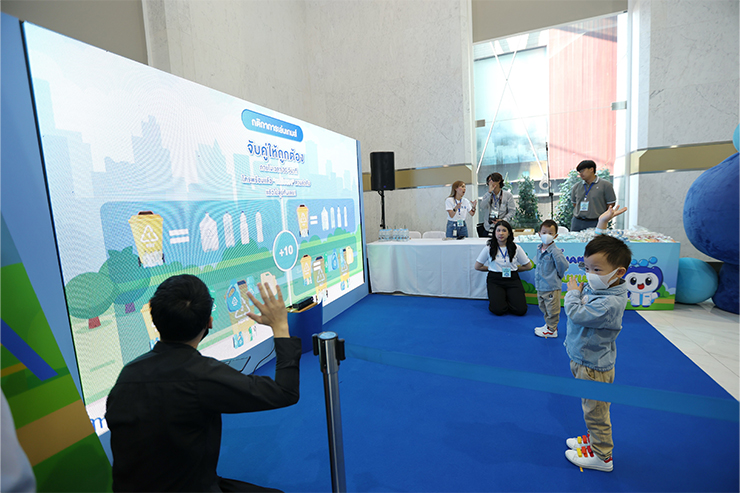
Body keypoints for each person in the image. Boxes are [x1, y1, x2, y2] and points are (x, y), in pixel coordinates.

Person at [106, 274, 301, 492]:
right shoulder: (202, 375)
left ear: (155, 320)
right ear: (209, 322)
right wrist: (280, 327)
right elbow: (285, 391)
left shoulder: (128, 373)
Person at [563, 205, 630, 472]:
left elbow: (576, 313)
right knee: (590, 406)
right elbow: (597, 251)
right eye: (587, 267)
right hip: (584, 358)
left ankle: (603, 457)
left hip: (593, 366)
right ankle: (593, 441)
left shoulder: (609, 303)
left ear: (618, 272)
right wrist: (601, 224)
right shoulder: (604, 282)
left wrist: (572, 293)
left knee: (596, 412)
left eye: (596, 270)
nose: (590, 274)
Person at [474, 220, 533, 315]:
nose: (501, 233)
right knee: (498, 310)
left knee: (520, 311)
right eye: (498, 230)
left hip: (512, 279)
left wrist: (515, 269)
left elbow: (528, 266)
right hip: (495, 280)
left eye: (504, 230)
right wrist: (491, 268)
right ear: (494, 233)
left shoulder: (516, 248)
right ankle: (502, 299)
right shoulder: (489, 248)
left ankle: (508, 298)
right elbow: (477, 266)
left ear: (509, 233)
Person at [533, 219, 570, 338]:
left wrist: (557, 277)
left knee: (552, 309)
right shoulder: (539, 248)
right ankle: (548, 325)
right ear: (539, 234)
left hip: (551, 286)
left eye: (550, 233)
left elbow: (563, 265)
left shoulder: (555, 251)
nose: (546, 235)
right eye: (544, 233)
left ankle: (552, 330)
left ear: (555, 236)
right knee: (543, 307)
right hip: (541, 285)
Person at [570, 160, 616, 232]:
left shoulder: (605, 185)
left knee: (596, 239)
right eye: (579, 172)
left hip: (596, 221)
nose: (581, 174)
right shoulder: (577, 186)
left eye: (582, 171)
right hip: (577, 221)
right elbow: (574, 203)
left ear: (591, 169)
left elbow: (611, 204)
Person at [476, 172, 516, 237]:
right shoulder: (487, 195)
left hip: (502, 228)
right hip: (488, 227)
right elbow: (482, 206)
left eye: (491, 180)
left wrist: (503, 221)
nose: (490, 183)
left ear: (498, 181)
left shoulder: (508, 195)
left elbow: (512, 211)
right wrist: (489, 192)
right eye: (488, 181)